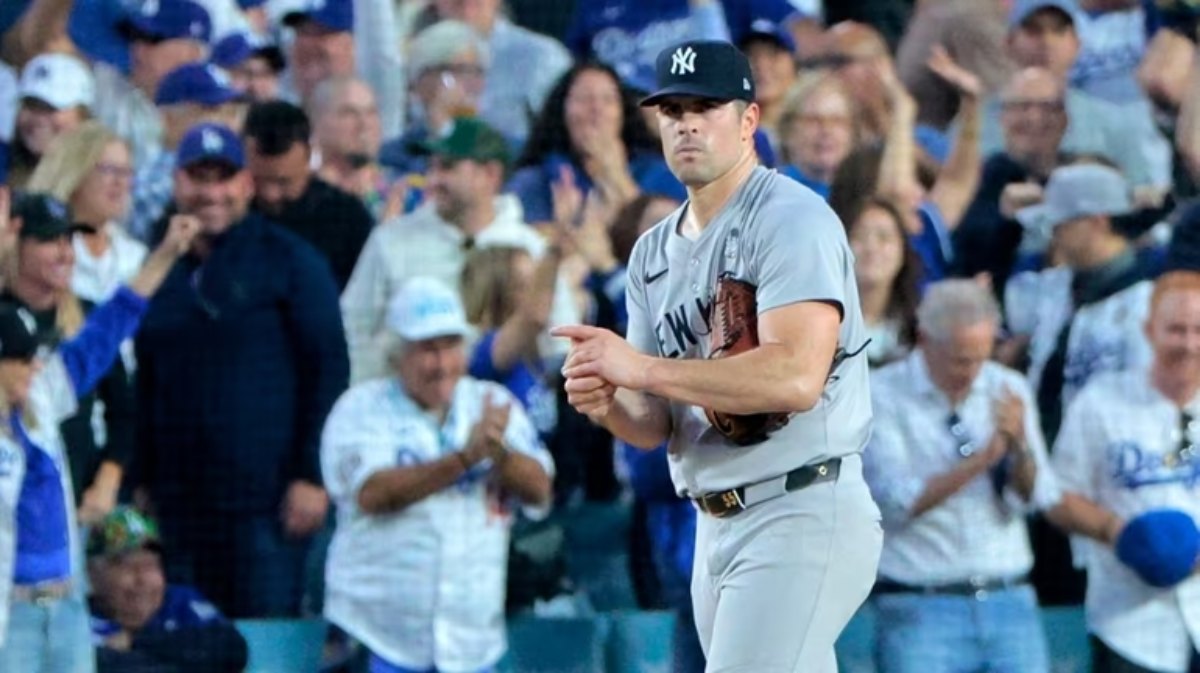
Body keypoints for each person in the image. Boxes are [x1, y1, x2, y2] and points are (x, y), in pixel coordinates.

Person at [555, 40, 883, 672]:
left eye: (706, 106)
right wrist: (608, 399)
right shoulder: (651, 252)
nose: (688, 123)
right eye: (672, 109)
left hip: (801, 504)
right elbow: (653, 424)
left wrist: (640, 369)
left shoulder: (791, 217)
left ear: (749, 120)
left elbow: (795, 377)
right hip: (714, 521)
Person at [133, 122, 348, 618]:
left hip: (267, 506)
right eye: (198, 178)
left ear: (246, 184)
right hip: (179, 506)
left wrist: (312, 474)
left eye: (223, 178)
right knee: (184, 646)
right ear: (176, 184)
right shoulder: (160, 264)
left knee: (264, 646)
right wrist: (141, 477)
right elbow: (146, 377)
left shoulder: (291, 260)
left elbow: (329, 367)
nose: (211, 193)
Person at [0, 189, 198, 673]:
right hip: (11, 613)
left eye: (30, 359)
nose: (30, 370)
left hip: (66, 604)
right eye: (17, 362)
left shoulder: (42, 399)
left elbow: (110, 326)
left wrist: (167, 253)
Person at [321, 276, 553, 673]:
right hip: (378, 635)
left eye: (450, 346)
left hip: (472, 642)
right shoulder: (360, 409)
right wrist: (465, 457)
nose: (442, 364)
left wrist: (498, 454)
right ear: (398, 354)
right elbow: (374, 494)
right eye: (428, 349)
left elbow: (539, 490)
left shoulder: (492, 403)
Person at [865, 279, 1060, 673]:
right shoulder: (881, 394)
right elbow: (895, 503)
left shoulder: (1007, 386)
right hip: (920, 605)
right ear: (924, 339)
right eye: (959, 359)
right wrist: (984, 458)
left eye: (981, 356)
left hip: (1011, 600)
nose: (972, 371)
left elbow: (1036, 497)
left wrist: (1020, 445)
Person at [1047, 270, 1200, 673]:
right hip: (1129, 623)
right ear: (1149, 330)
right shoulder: (1101, 401)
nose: (1189, 343)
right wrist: (1117, 532)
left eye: (1198, 330)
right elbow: (1057, 496)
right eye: (1176, 330)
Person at [87, 507, 248, 673]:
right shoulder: (76, 622)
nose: (142, 579)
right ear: (93, 574)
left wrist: (136, 642)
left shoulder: (180, 601)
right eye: (128, 567)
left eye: (150, 566)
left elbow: (232, 649)